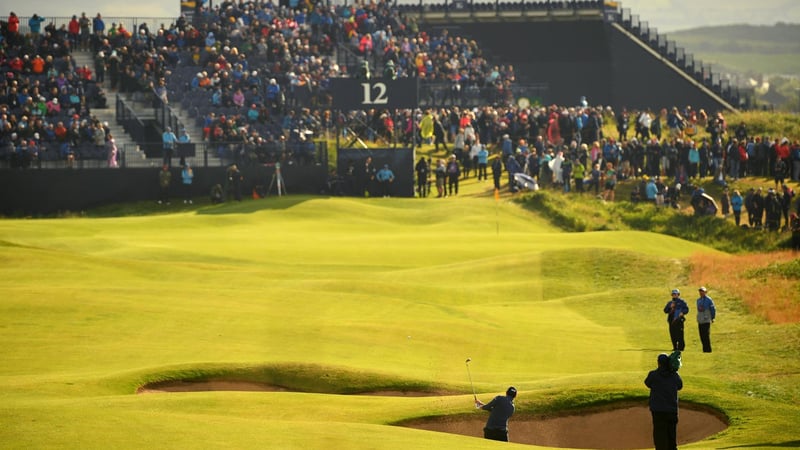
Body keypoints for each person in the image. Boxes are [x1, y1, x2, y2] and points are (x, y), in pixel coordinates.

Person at [645, 353, 683, 450]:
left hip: (658, 411)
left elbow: (647, 383)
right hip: (672, 410)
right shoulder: (674, 376)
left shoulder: (653, 375)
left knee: (659, 436)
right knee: (671, 436)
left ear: (658, 363)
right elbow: (680, 386)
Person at [696, 286, 716, 353]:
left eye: (702, 291)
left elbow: (713, 309)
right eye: (700, 291)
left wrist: (713, 317)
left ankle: (708, 350)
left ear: (705, 292)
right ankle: (704, 349)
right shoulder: (698, 300)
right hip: (700, 320)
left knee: (706, 335)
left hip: (706, 320)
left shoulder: (709, 300)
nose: (701, 293)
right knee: (701, 335)